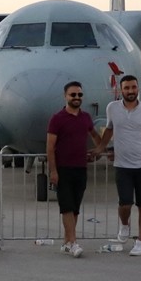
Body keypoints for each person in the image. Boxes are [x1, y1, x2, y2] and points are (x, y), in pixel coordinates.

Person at [93, 74, 141, 256]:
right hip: (122, 165)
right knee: (125, 204)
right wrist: (100, 148)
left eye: (133, 87)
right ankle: (124, 224)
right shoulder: (112, 108)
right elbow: (109, 129)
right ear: (120, 90)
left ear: (137, 88)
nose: (130, 91)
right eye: (127, 88)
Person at [46, 81, 101, 259]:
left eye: (79, 95)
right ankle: (73, 242)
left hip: (81, 168)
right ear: (65, 96)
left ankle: (66, 241)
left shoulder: (85, 117)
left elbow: (95, 135)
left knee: (75, 208)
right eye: (73, 95)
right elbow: (50, 146)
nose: (76, 98)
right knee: (67, 206)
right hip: (63, 169)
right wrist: (53, 171)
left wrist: (99, 150)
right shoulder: (57, 119)